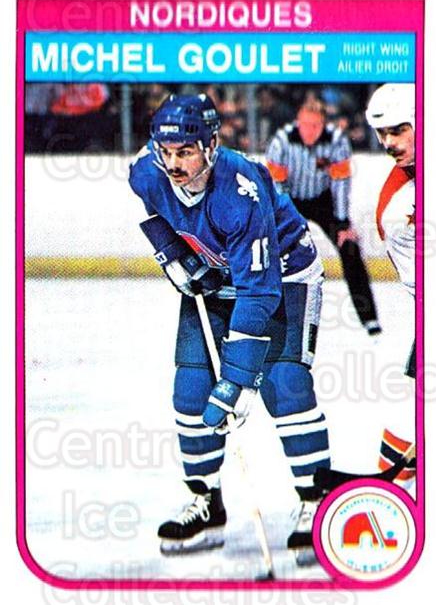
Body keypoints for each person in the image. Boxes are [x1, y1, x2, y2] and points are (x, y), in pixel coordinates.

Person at [128, 93, 330, 561]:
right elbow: (155, 210)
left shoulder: (240, 192)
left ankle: (316, 501)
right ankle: (206, 503)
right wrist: (173, 254)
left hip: (284, 275)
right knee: (191, 389)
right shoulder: (146, 171)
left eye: (186, 152)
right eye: (167, 152)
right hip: (218, 273)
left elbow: (259, 291)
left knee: (284, 384)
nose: (173, 164)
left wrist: (237, 380)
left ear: (211, 145)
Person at [266, 99, 381, 336]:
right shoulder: (281, 141)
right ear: (298, 123)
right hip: (290, 200)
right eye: (305, 125)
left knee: (349, 248)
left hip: (323, 200)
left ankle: (369, 317)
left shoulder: (337, 141)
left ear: (323, 125)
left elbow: (341, 184)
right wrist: (285, 222)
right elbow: (277, 187)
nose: (310, 131)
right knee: (273, 249)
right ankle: (270, 312)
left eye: (315, 126)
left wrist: (342, 223)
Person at [366, 83, 416, 485]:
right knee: (409, 414)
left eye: (398, 130)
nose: (388, 143)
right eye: (382, 134)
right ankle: (391, 498)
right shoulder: (397, 209)